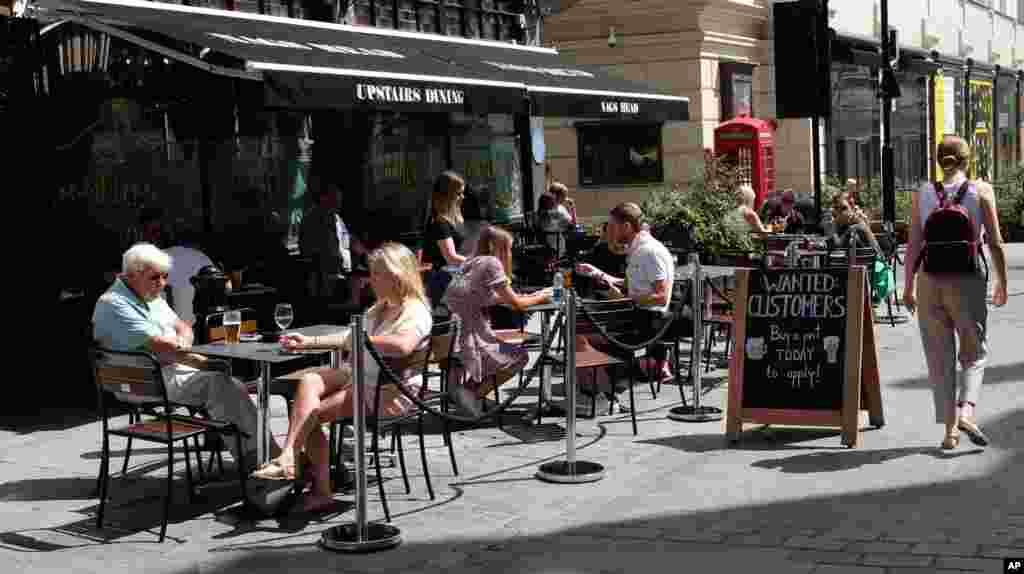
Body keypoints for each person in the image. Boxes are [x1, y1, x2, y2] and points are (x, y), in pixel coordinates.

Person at [251, 242, 433, 512]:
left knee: (309, 416)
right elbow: (349, 338)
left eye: (375, 274)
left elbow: (403, 346)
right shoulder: (381, 308)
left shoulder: (414, 311)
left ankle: (319, 488)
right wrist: (308, 342)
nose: (370, 280)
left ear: (396, 275)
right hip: (362, 378)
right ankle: (289, 456)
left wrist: (363, 339)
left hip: (389, 392)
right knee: (309, 381)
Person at [92, 243, 277, 469]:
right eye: (155, 278)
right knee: (222, 385)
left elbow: (183, 326)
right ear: (132, 275)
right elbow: (164, 347)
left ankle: (266, 455)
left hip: (165, 370)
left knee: (231, 385)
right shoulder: (114, 305)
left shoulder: (149, 295)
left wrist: (183, 342)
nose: (162, 284)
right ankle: (260, 461)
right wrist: (204, 362)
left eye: (165, 276)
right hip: (144, 381)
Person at [903, 136, 1009, 450]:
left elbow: (913, 245)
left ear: (938, 160)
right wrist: (1002, 282)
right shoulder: (981, 190)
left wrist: (908, 286)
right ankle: (967, 412)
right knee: (974, 352)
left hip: (929, 279)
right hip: (966, 279)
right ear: (968, 159)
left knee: (939, 357)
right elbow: (995, 242)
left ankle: (950, 432)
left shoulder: (923, 193)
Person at [442, 225, 553, 416]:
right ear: (499, 248)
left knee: (502, 353)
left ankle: (467, 395)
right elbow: (516, 303)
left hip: (448, 337)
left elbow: (488, 297)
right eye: (509, 249)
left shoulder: (471, 263)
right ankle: (472, 394)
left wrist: (532, 296)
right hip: (468, 338)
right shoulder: (492, 262)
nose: (511, 254)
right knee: (519, 357)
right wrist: (543, 295)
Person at [575, 203, 676, 411]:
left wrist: (627, 298)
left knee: (578, 336)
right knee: (577, 326)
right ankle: (602, 394)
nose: (609, 230)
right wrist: (598, 274)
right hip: (636, 317)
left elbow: (660, 296)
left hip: (646, 323)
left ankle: (604, 397)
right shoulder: (639, 249)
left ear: (627, 226)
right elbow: (632, 285)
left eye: (612, 226)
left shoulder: (649, 252)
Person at [424, 171, 467, 310]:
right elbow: (451, 257)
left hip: (449, 281)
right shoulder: (440, 224)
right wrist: (480, 261)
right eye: (458, 193)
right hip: (443, 283)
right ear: (447, 196)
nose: (462, 197)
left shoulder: (447, 222)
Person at [299, 186, 351, 298]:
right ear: (323, 198)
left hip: (339, 274)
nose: (338, 204)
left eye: (339, 200)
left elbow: (345, 245)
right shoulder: (312, 219)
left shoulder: (337, 219)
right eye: (334, 200)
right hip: (320, 280)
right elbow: (309, 251)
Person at [163, 227, 216, 326]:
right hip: (191, 324)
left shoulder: (156, 255)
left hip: (156, 325)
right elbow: (223, 286)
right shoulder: (200, 256)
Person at [829, 191, 884, 258]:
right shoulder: (834, 224)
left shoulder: (857, 221)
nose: (843, 212)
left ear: (850, 209)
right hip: (847, 258)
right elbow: (838, 243)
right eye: (837, 208)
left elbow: (872, 241)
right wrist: (848, 231)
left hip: (863, 257)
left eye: (844, 208)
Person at [536, 191, 572, 257]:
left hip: (553, 240)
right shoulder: (547, 213)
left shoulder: (543, 213)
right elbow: (568, 221)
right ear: (546, 203)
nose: (554, 203)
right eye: (552, 201)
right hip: (552, 242)